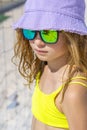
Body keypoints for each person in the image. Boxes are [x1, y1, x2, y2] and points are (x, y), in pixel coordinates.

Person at [12, 0, 87, 130]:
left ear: (72, 34)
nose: (37, 42)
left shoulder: (72, 91)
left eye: (48, 33)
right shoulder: (43, 68)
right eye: (30, 30)